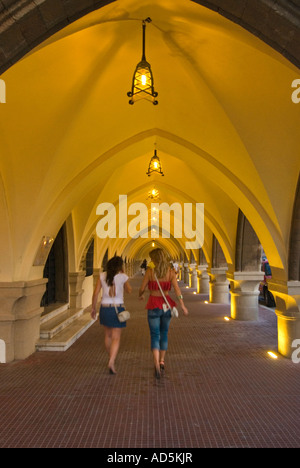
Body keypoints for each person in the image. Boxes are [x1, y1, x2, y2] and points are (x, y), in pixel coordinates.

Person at [139, 248, 188, 379]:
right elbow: (177, 290)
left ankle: (155, 363)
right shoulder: (171, 272)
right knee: (164, 333)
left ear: (154, 259)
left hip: (153, 304)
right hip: (167, 306)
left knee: (155, 334)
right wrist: (182, 305)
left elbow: (142, 288)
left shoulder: (150, 272)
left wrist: (141, 295)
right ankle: (161, 361)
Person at [91, 256, 132, 375]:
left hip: (104, 309)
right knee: (116, 337)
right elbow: (129, 290)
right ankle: (111, 361)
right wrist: (124, 277)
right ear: (120, 266)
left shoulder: (102, 276)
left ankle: (111, 357)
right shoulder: (122, 277)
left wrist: (93, 308)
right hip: (118, 309)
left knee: (108, 335)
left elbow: (95, 294)